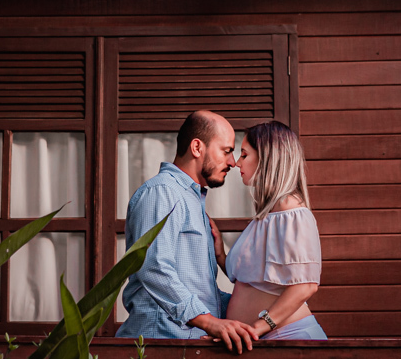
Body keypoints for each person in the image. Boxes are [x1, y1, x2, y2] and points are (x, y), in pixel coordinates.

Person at [117, 110, 260, 353]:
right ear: (197, 148)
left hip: (187, 345)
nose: (233, 162)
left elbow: (202, 293)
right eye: (226, 151)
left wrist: (265, 312)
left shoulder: (192, 199)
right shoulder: (162, 192)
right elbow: (153, 268)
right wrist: (211, 322)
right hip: (160, 345)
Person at [218, 120, 326, 340]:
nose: (237, 163)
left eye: (244, 155)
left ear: (268, 158)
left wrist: (258, 327)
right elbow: (252, 281)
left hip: (290, 338)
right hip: (269, 340)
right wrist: (220, 254)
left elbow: (305, 286)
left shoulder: (291, 211)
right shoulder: (269, 215)